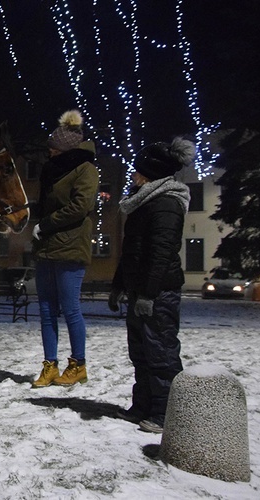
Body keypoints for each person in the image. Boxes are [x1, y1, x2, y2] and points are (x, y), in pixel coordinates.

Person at [110, 137, 194, 433]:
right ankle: (143, 406)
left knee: (161, 352)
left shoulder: (167, 204)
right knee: (141, 351)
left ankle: (166, 413)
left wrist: (148, 293)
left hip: (159, 293)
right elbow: (131, 249)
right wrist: (119, 285)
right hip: (139, 290)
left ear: (151, 174)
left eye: (139, 171)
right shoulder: (143, 203)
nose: (134, 175)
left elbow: (161, 253)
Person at [31, 110, 99, 388]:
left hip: (71, 247)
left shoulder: (86, 170)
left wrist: (46, 224)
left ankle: (78, 365)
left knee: (70, 309)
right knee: (46, 310)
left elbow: (80, 207)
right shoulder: (52, 171)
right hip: (47, 248)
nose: (49, 150)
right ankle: (50, 365)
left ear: (65, 148)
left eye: (53, 146)